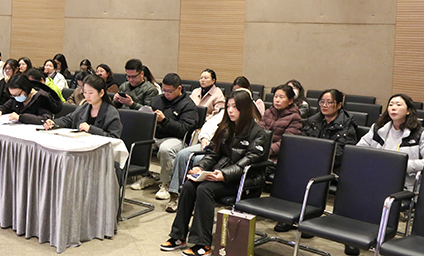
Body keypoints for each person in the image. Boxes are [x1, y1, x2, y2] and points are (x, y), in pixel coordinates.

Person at [160, 90, 268, 256]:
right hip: (219, 175)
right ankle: (178, 236)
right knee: (189, 185)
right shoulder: (225, 127)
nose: (230, 110)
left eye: (235, 107)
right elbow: (212, 153)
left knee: (205, 189)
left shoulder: (258, 133)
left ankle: (203, 243)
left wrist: (224, 174)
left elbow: (248, 162)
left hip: (242, 181)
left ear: (245, 108)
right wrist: (201, 167)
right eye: (228, 106)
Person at [275, 89, 357, 233]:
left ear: (339, 105)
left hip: (334, 169)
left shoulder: (347, 126)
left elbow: (341, 154)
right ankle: (291, 216)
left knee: (310, 176)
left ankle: (309, 218)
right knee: (290, 171)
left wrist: (316, 161)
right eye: (322, 102)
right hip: (311, 163)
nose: (324, 105)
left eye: (329, 102)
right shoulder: (313, 121)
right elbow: (303, 144)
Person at [132, 73, 198, 201]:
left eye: (169, 91)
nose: (166, 94)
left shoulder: (188, 105)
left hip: (176, 138)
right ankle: (146, 175)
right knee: (138, 142)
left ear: (179, 89)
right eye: (164, 90)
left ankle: (167, 184)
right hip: (156, 135)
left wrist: (164, 120)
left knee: (166, 149)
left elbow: (184, 129)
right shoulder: (158, 100)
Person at [358, 94, 424, 191]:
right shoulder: (377, 129)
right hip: (376, 178)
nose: (393, 108)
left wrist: (403, 165)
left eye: (398, 105)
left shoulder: (420, 133)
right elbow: (359, 150)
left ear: (408, 111)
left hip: (404, 185)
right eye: (391, 105)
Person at [44, 74, 122, 138]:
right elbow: (69, 119)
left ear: (101, 93)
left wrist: (90, 129)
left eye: (90, 93)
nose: (87, 96)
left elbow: (114, 137)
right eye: (85, 92)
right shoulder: (84, 107)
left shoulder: (111, 112)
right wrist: (53, 123)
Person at [259, 84, 302, 160]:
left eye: (281, 97)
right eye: (275, 96)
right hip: (261, 151)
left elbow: (286, 142)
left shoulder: (295, 117)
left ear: (290, 101)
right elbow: (259, 132)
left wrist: (267, 151)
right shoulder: (268, 112)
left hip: (278, 156)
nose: (277, 100)